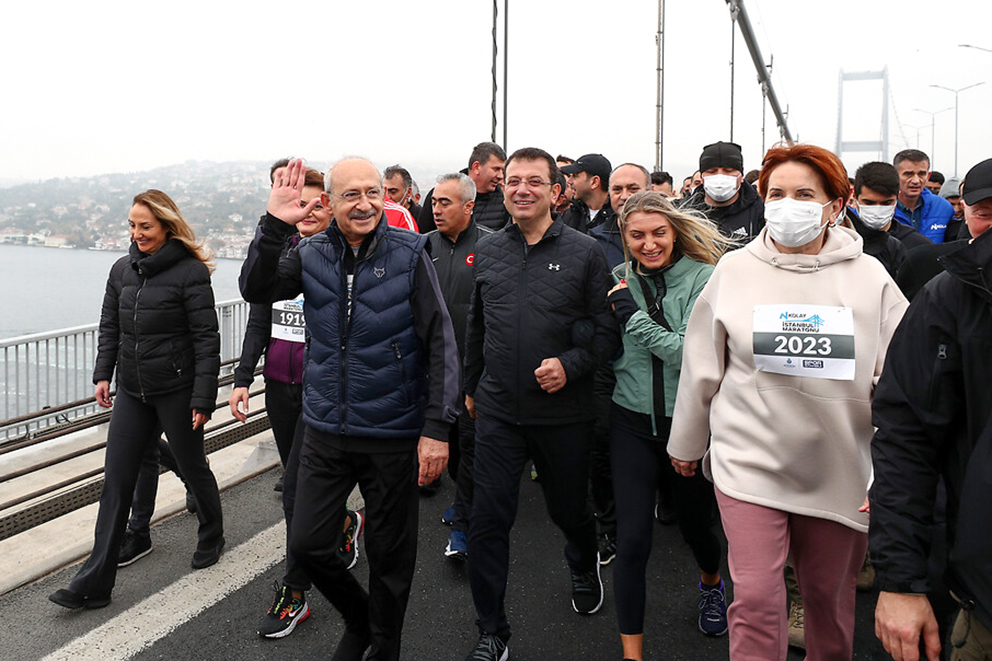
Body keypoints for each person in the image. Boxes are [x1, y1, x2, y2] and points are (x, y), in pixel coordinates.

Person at [668, 143, 908, 660]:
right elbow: (702, 366)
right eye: (776, 194)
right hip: (749, 460)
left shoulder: (872, 280)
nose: (787, 204)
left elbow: (903, 382)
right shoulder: (734, 270)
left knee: (827, 600)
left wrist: (892, 471)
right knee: (755, 599)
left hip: (839, 467)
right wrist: (686, 443)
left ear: (835, 204)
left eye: (804, 194)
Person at [240, 158, 459, 661]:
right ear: (330, 203)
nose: (364, 204)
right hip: (325, 428)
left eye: (372, 193)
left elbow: (441, 340)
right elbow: (257, 289)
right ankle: (361, 619)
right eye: (350, 195)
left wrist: (437, 428)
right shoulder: (310, 251)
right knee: (310, 544)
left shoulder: (409, 252)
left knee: (390, 557)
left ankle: (384, 645)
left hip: (392, 429)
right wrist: (274, 222)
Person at [463, 147, 619, 661]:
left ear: (556, 191)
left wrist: (570, 366)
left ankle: (582, 555)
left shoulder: (586, 252)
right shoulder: (488, 251)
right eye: (512, 180)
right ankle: (492, 631)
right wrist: (470, 386)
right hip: (499, 412)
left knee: (568, 510)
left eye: (534, 180)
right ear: (501, 188)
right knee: (487, 521)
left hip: (563, 415)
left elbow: (607, 334)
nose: (521, 188)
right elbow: (477, 326)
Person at [49, 190, 223, 610]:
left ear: (166, 226)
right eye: (132, 225)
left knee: (192, 464)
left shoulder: (190, 274)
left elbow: (206, 339)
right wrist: (101, 375)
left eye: (145, 226)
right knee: (116, 481)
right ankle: (94, 583)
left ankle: (212, 532)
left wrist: (203, 396)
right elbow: (110, 325)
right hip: (132, 390)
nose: (137, 233)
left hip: (178, 391)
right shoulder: (121, 269)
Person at [228, 167, 364, 639]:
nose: (306, 212)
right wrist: (244, 378)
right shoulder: (281, 255)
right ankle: (344, 519)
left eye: (315, 204)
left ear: (329, 207)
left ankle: (296, 589)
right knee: (301, 487)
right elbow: (257, 318)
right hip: (280, 386)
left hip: (322, 390)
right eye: (297, 204)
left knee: (294, 492)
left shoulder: (339, 256)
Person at [871, 156, 992, 661]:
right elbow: (906, 435)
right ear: (964, 214)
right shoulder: (949, 295)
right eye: (985, 211)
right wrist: (901, 579)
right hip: (982, 589)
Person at [606, 191, 732, 660]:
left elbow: (687, 352)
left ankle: (712, 583)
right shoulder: (618, 280)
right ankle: (632, 655)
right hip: (631, 423)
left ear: (675, 231)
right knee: (633, 538)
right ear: (624, 237)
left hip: (690, 427)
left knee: (698, 531)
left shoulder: (704, 278)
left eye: (659, 232)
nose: (649, 243)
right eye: (636, 235)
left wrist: (632, 318)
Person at [425, 172, 491, 561]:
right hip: (433, 371)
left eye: (444, 203)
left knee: (471, 446)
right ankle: (461, 500)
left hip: (473, 370)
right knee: (445, 442)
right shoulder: (422, 247)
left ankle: (465, 523)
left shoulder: (491, 247)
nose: (436, 209)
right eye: (434, 202)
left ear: (469, 206)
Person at [679, 141, 764, 244]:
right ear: (702, 177)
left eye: (728, 171)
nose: (720, 177)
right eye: (712, 172)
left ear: (741, 176)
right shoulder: (684, 212)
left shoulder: (760, 211)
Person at [419, 142, 508, 233]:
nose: (501, 176)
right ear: (476, 167)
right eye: (496, 169)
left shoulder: (504, 201)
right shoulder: (440, 194)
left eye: (503, 170)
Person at [847, 161, 910, 278]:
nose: (877, 209)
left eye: (886, 203)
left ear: (897, 198)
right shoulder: (842, 241)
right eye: (869, 203)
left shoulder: (915, 244)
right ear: (854, 197)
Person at [893, 149, 955, 244]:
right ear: (895, 175)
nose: (916, 180)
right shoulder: (882, 208)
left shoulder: (943, 207)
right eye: (908, 174)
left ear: (928, 176)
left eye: (921, 174)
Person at [560, 153, 614, 232]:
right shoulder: (570, 216)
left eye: (575, 176)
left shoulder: (618, 218)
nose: (569, 181)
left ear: (594, 182)